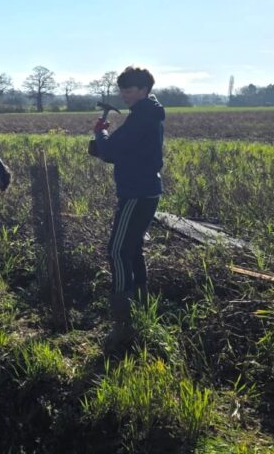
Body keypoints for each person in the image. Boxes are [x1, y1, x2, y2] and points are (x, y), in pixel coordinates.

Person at [91, 66, 165, 352]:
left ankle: (122, 314)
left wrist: (101, 135)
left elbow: (110, 151)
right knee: (132, 249)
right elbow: (118, 151)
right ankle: (142, 307)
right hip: (147, 189)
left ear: (144, 90)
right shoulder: (148, 113)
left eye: (129, 90)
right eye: (122, 90)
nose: (124, 95)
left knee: (117, 250)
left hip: (135, 192)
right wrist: (105, 141)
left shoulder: (142, 117)